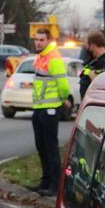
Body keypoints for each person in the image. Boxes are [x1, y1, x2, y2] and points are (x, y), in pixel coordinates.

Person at [31, 28, 70, 197]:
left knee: (50, 147)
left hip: (50, 108)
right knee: (41, 146)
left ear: (48, 41)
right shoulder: (41, 57)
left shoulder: (53, 58)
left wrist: (63, 99)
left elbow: (63, 84)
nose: (38, 42)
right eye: (36, 39)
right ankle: (45, 181)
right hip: (39, 108)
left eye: (41, 40)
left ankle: (55, 185)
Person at [79, 30, 105, 99]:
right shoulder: (92, 62)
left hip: (97, 105)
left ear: (93, 45)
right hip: (87, 105)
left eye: (87, 45)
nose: (86, 48)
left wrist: (93, 76)